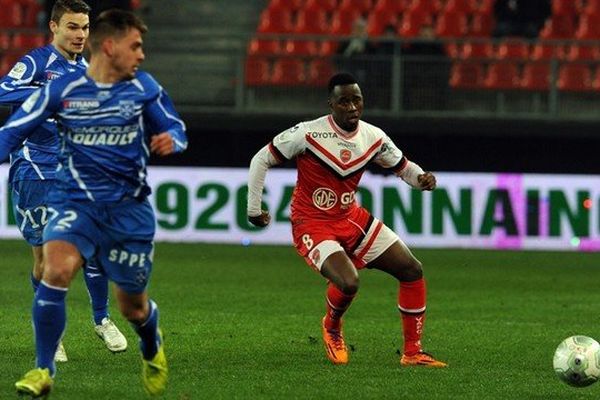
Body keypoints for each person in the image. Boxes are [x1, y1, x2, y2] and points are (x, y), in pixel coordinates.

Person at [0, 9, 187, 397]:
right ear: (112, 46)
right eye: (135, 46)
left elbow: (174, 125)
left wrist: (173, 140)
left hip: (125, 207)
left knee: (133, 306)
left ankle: (150, 343)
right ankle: (43, 368)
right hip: (71, 198)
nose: (142, 55)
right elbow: (10, 131)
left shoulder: (142, 88)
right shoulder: (62, 87)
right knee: (56, 268)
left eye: (85, 27)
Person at [247, 72, 447, 368]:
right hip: (312, 223)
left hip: (350, 218)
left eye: (357, 100)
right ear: (331, 104)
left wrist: (421, 179)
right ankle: (332, 327)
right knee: (349, 281)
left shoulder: (373, 136)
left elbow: (404, 167)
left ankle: (413, 352)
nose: (352, 107)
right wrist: (253, 208)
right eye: (344, 101)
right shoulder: (307, 133)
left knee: (411, 270)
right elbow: (261, 159)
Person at [0, 0, 127, 363]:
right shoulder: (37, 62)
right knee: (45, 259)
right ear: (54, 27)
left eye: (85, 27)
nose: (80, 34)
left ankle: (101, 319)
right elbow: (3, 91)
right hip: (34, 169)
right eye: (72, 27)